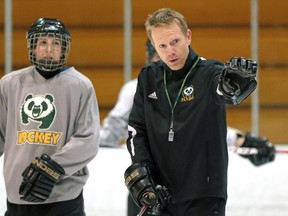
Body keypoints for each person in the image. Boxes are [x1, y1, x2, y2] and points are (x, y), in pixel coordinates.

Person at [100, 39, 275, 216]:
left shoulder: (189, 83)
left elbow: (196, 128)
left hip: (187, 187)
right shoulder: (138, 87)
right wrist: (84, 139)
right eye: (158, 53)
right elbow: (113, 130)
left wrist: (242, 140)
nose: (166, 57)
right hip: (148, 186)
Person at [123, 8, 262, 216]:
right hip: (160, 194)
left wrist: (230, 86)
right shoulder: (148, 78)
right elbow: (137, 130)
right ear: (154, 46)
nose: (170, 51)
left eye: (175, 42)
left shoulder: (211, 73)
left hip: (204, 197)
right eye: (162, 45)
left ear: (188, 36)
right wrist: (143, 170)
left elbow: (222, 90)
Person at [0, 18, 100, 216]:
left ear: (63, 49)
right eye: (43, 42)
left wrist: (54, 167)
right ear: (33, 46)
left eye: (56, 43)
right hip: (17, 197)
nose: (49, 49)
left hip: (63, 199)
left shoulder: (80, 85)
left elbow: (88, 140)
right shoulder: (9, 84)